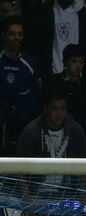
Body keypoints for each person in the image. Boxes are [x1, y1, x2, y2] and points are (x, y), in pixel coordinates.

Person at [0, 17, 40, 153]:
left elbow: (34, 97)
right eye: (12, 34)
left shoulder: (31, 64)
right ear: (3, 35)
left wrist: (24, 119)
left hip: (24, 127)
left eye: (20, 34)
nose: (16, 38)